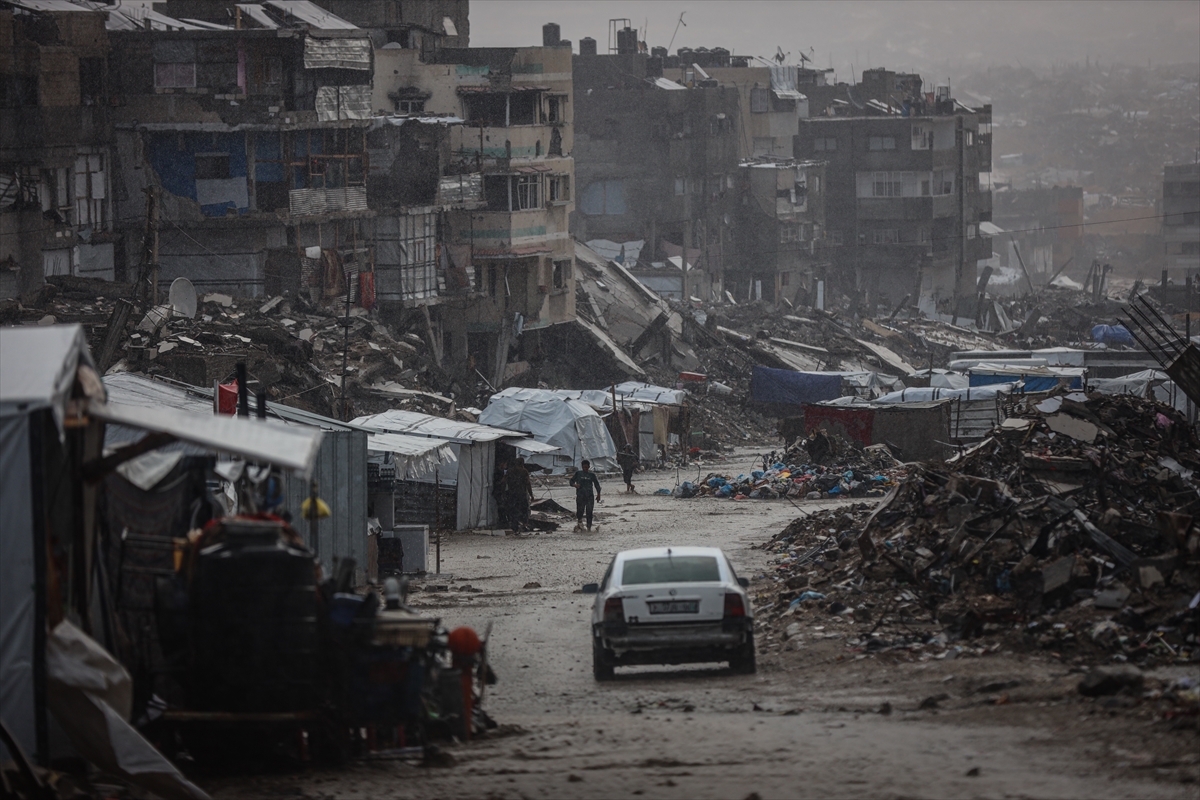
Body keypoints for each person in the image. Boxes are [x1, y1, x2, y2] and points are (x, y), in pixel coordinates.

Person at [569, 459, 602, 531]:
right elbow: (571, 481)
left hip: (590, 496)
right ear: (582, 467)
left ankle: (589, 528)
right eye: (584, 467)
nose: (585, 469)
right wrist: (575, 485)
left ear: (589, 467)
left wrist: (598, 495)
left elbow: (597, 485)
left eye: (586, 467)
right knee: (580, 511)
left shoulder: (592, 475)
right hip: (580, 496)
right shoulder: (578, 473)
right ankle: (580, 524)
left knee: (589, 512)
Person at [507, 456, 535, 531]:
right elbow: (528, 483)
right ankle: (524, 524)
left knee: (513, 509)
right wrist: (531, 495)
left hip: (512, 494)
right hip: (521, 493)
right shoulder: (524, 471)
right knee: (524, 509)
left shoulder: (509, 471)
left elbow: (506, 482)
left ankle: (514, 524)